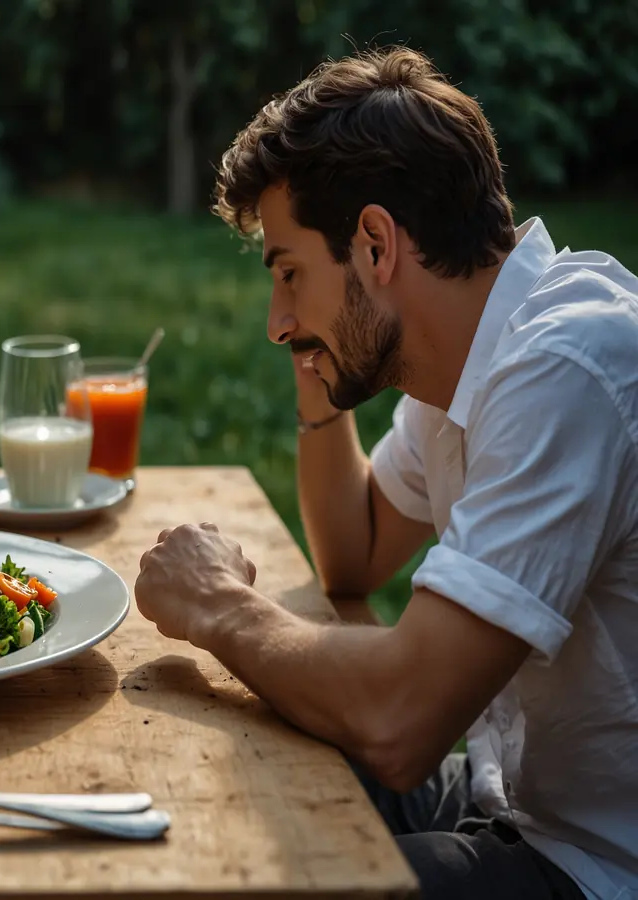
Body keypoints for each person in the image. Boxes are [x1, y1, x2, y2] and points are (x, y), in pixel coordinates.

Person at [134, 46, 638, 900]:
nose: (275, 320)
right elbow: (358, 553)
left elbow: (402, 719)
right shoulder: (466, 363)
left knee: (261, 878)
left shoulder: (568, 366)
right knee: (222, 784)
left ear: (375, 244)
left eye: (288, 273)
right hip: (502, 797)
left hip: (595, 865)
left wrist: (217, 606)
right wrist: (319, 354)